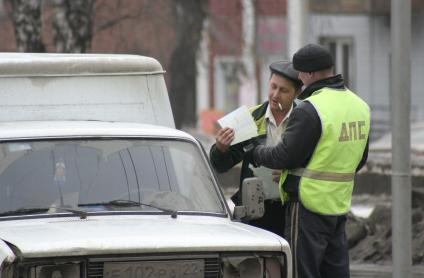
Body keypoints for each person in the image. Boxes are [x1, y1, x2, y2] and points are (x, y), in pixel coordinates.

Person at [251, 44, 370, 278]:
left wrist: (255, 151)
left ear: (311, 74)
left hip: (307, 205)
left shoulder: (310, 109)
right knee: (335, 272)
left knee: (301, 272)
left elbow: (283, 156)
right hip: (338, 204)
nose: (300, 79)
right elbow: (359, 159)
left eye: (301, 74)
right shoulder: (360, 106)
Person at [209, 61, 302, 237]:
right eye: (273, 86)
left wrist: (290, 174)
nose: (275, 95)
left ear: (297, 93)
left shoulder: (304, 120)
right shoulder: (249, 118)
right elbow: (220, 166)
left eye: (283, 90)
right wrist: (220, 148)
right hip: (255, 208)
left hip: (291, 207)